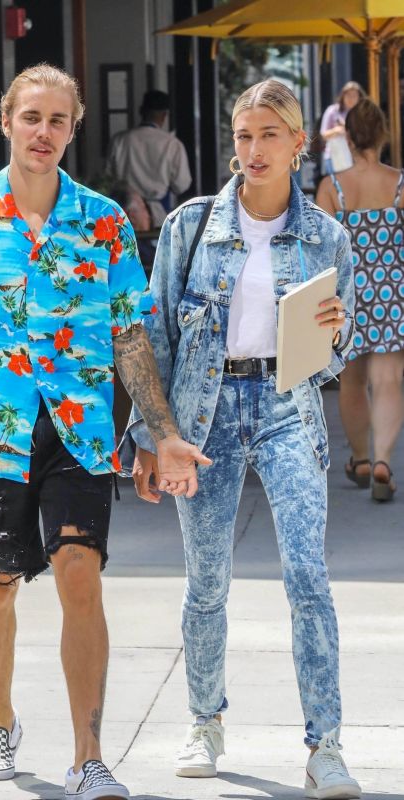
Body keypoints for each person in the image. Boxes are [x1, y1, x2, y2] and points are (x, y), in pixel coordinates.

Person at [0, 63, 209, 798]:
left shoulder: (104, 222)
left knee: (80, 574)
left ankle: (89, 754)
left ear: (74, 130)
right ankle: (1, 720)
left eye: (59, 120)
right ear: (7, 121)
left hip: (78, 429)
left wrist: (159, 430)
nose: (44, 132)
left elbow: (129, 335)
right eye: (32, 117)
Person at [126, 79, 361, 799]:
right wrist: (149, 436)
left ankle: (326, 747)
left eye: (267, 136)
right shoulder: (190, 226)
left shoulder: (327, 236)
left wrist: (337, 337)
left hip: (289, 407)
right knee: (206, 584)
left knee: (308, 579)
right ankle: (205, 720)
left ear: (298, 143)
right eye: (241, 135)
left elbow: (338, 352)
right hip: (206, 413)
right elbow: (152, 335)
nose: (251, 150)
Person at [316, 98, 404, 502]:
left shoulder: (332, 187)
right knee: (388, 380)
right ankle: (384, 460)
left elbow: (319, 249)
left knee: (351, 380)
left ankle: (362, 457)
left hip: (347, 294)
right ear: (383, 134)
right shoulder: (399, 183)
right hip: (394, 290)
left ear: (347, 137)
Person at [106, 89, 192, 228]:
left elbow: (109, 177)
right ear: (164, 116)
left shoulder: (120, 140)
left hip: (124, 213)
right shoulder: (172, 144)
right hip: (158, 213)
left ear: (141, 111)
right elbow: (182, 184)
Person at [320, 81, 365, 175]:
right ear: (343, 96)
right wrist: (337, 130)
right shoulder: (332, 111)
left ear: (359, 98)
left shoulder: (361, 114)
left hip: (356, 157)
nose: (351, 98)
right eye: (348, 95)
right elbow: (323, 134)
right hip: (335, 156)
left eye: (354, 96)